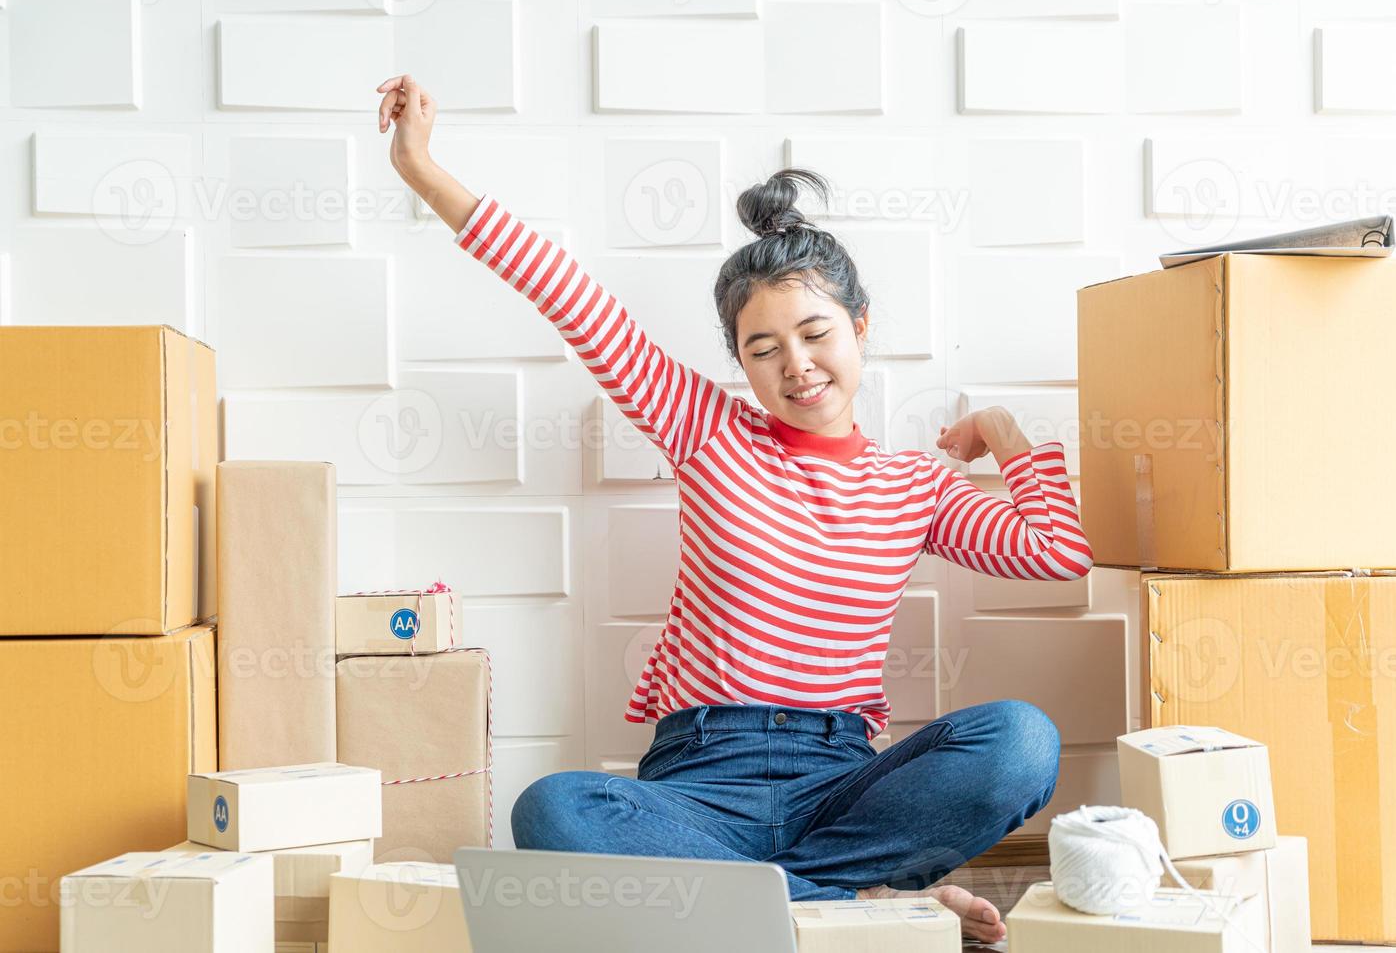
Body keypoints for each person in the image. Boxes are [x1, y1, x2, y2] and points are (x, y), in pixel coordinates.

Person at [377, 73, 1093, 945]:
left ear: (859, 326)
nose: (795, 364)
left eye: (815, 333)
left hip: (839, 784)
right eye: (763, 348)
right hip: (695, 785)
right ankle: (844, 900)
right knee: (556, 809)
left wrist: (1004, 431)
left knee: (1019, 740)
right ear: (741, 366)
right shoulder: (704, 428)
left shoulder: (917, 486)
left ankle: (774, 899)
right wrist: (420, 167)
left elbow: (1057, 554)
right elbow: (566, 293)